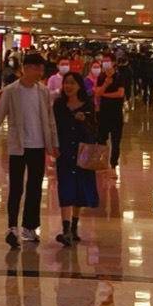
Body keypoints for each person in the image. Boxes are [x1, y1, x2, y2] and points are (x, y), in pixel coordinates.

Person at [0, 52, 54, 248]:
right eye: (37, 68)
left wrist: (53, 144)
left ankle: (29, 227)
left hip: (38, 146)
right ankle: (12, 226)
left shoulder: (43, 91)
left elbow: (50, 119)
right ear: (26, 68)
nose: (40, 72)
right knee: (16, 187)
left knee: (35, 188)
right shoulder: (11, 91)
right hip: (18, 147)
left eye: (42, 69)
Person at [52, 73, 101, 244]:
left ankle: (73, 227)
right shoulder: (59, 105)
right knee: (65, 186)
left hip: (83, 151)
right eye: (66, 83)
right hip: (64, 151)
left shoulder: (88, 104)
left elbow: (95, 129)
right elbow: (53, 127)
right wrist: (53, 146)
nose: (68, 86)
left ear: (79, 85)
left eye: (72, 83)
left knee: (80, 188)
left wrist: (84, 121)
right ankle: (65, 229)